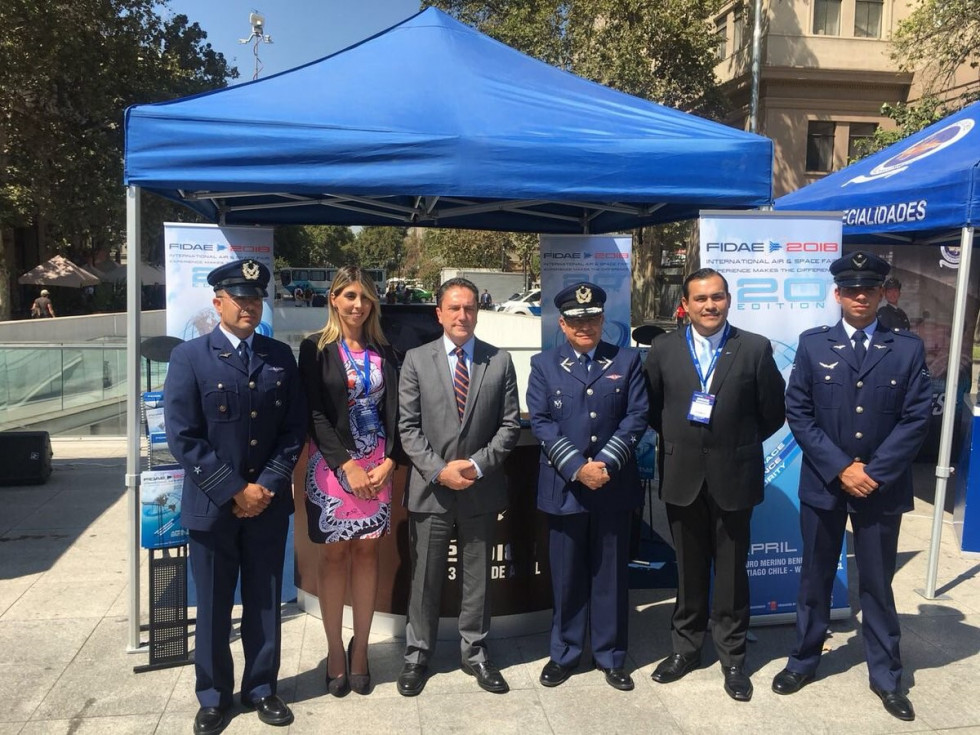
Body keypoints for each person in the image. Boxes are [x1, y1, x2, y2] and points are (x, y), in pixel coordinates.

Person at [772, 251, 931, 722]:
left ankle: (887, 676)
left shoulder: (906, 348)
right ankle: (803, 660)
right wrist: (842, 468)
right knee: (815, 578)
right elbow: (798, 411)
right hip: (825, 482)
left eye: (869, 288)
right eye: (851, 288)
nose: (860, 295)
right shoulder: (813, 344)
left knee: (878, 585)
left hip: (881, 486)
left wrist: (873, 472)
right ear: (837, 293)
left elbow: (915, 417)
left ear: (882, 293)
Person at [164, 259, 305, 735]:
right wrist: (233, 490)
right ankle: (213, 696)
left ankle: (262, 688)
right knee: (214, 605)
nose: (248, 305)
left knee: (265, 600)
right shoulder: (190, 357)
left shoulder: (279, 357)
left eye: (254, 297)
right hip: (212, 507)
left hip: (266, 505)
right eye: (238, 297)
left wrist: (263, 486)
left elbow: (293, 430)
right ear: (217, 301)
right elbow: (183, 436)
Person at [644, 268, 785, 702]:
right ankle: (685, 649)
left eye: (718, 297)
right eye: (701, 299)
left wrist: (732, 445)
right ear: (685, 304)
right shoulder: (663, 349)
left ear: (728, 300)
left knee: (730, 572)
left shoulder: (755, 349)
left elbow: (772, 412)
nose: (710, 306)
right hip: (682, 475)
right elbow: (652, 409)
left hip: (734, 476)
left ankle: (733, 657)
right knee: (687, 569)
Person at [396, 277, 521, 696]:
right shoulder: (415, 359)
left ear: (477, 312)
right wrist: (439, 471)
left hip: (480, 489)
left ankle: (477, 654)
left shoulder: (499, 361)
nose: (462, 315)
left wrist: (476, 466)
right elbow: (408, 428)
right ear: (439, 313)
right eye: (453, 308)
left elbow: (509, 425)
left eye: (469, 307)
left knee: (477, 577)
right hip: (432, 490)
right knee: (426, 579)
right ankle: (417, 656)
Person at [526, 282, 648, 691]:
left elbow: (636, 417)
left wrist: (605, 463)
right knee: (567, 575)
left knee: (611, 574)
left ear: (602, 321)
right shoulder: (544, 365)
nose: (586, 326)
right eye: (577, 320)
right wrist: (579, 468)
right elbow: (541, 422)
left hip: (612, 485)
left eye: (592, 318)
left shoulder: (627, 361)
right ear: (562, 323)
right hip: (566, 487)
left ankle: (611, 655)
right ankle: (564, 653)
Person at [298, 266, 401, 698]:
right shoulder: (315, 350)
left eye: (365, 297)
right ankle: (335, 650)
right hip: (332, 469)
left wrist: (391, 461)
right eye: (349, 296)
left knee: (367, 553)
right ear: (333, 300)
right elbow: (315, 413)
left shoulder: (384, 350)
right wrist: (346, 465)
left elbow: (396, 412)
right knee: (334, 559)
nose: (358, 305)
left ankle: (361, 649)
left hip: (377, 470)